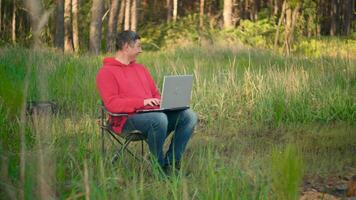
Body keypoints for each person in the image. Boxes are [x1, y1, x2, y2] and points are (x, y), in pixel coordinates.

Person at [96, 30, 198, 175]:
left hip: (154, 115)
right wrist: (142, 102)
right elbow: (112, 104)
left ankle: (172, 163)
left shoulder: (140, 69)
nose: (141, 50)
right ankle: (159, 167)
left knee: (189, 116)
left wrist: (163, 101)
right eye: (138, 46)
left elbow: (154, 93)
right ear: (126, 47)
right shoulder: (106, 73)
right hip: (126, 120)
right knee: (159, 119)